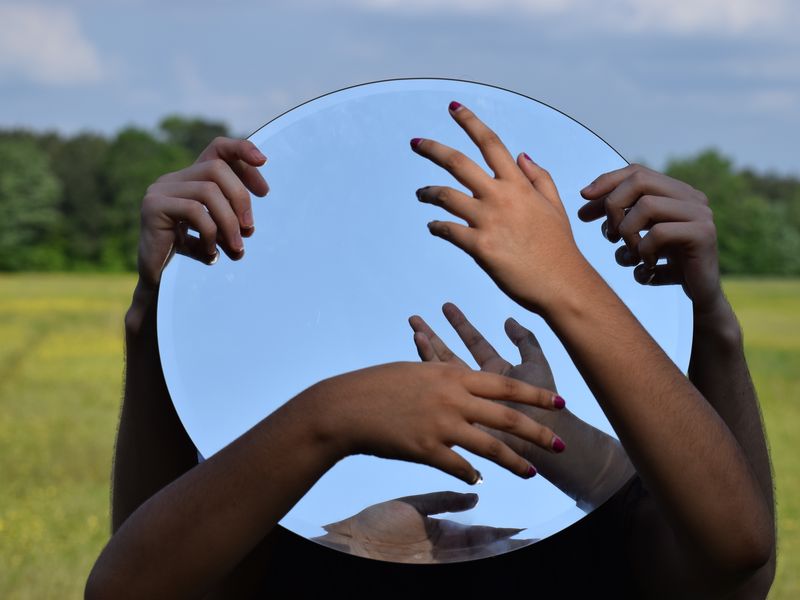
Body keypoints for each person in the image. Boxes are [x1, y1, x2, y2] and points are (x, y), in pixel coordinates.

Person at [85, 103, 775, 599]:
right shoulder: (282, 546)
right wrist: (163, 308)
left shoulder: (610, 548)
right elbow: (131, 584)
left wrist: (682, 314)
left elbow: (740, 556)